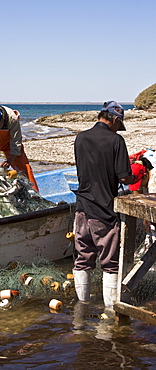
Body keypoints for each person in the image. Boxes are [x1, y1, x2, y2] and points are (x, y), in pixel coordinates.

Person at [73, 100, 137, 313]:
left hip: (81, 208)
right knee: (109, 263)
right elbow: (125, 178)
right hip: (104, 211)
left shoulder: (80, 138)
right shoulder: (115, 141)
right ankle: (110, 315)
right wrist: (135, 172)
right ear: (116, 119)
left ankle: (81, 311)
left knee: (83, 260)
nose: (119, 129)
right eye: (120, 124)